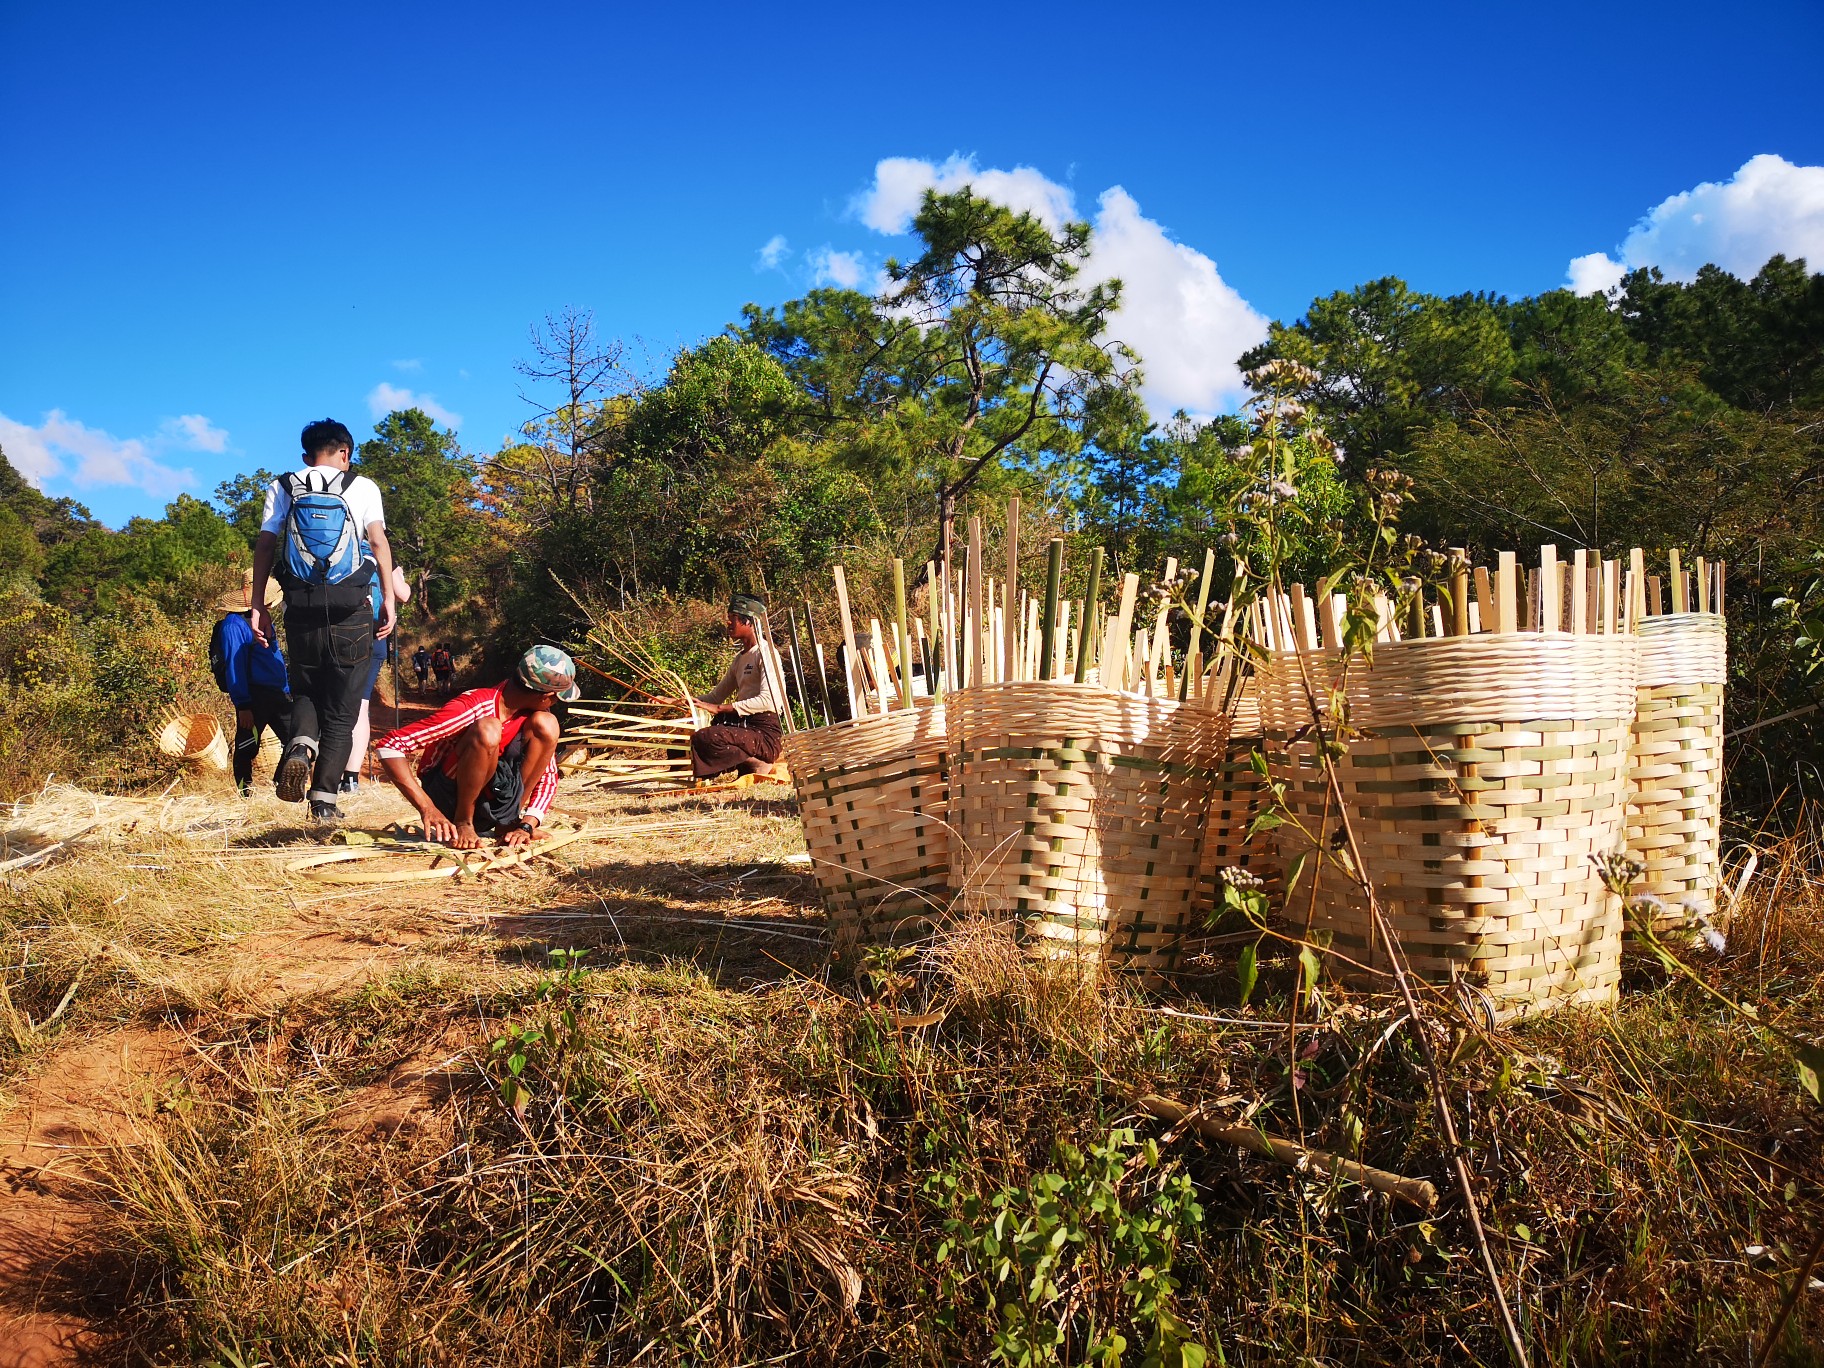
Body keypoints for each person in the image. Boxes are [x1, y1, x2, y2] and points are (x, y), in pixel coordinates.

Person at [249, 418, 396, 824]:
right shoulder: (362, 487)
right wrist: (389, 603)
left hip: (300, 606)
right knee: (344, 709)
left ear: (305, 455)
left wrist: (259, 604)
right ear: (345, 453)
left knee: (307, 691)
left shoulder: (284, 484)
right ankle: (325, 801)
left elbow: (265, 545)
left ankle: (299, 745)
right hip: (352, 607)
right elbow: (379, 542)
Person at [375, 644, 578, 850]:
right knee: (488, 728)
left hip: (494, 799)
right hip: (448, 798)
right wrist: (427, 808)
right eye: (557, 698)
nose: (554, 704)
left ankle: (507, 823)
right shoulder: (473, 706)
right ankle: (464, 822)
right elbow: (389, 746)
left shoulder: (533, 719)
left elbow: (547, 775)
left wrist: (527, 825)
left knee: (548, 724)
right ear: (546, 696)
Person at [679, 594, 788, 781]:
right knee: (685, 738)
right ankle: (747, 762)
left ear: (750, 622)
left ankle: (758, 760)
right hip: (745, 729)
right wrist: (681, 701)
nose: (728, 623)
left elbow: (768, 700)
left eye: (733, 618)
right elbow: (714, 697)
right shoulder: (740, 658)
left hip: (764, 735)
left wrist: (721, 709)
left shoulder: (766, 653)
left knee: (708, 737)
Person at [211, 568, 293, 795]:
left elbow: (274, 657)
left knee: (297, 740)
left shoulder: (263, 619)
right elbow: (234, 667)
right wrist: (243, 705)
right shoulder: (233, 625)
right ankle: (244, 793)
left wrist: (286, 689)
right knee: (248, 746)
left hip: (278, 694)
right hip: (253, 696)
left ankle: (281, 784)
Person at [342, 565, 413, 793]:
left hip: (339, 634)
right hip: (374, 635)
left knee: (335, 702)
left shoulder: (335, 552)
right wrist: (399, 576)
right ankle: (351, 778)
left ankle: (327, 772)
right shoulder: (378, 556)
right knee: (361, 705)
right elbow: (404, 594)